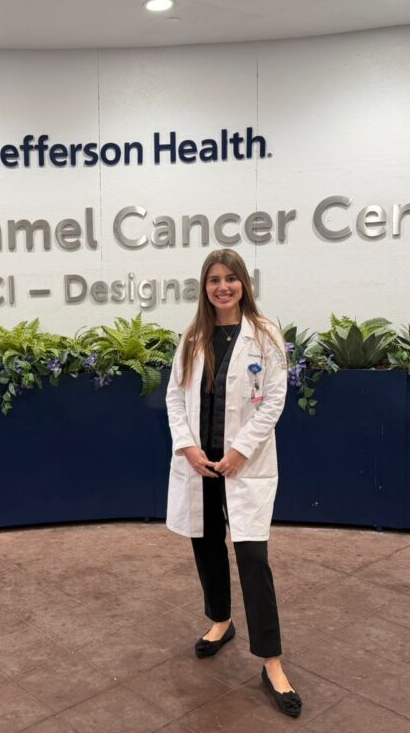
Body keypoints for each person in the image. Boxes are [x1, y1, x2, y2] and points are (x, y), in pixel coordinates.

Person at [165, 248, 302, 718]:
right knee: (206, 544)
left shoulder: (264, 334)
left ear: (244, 283)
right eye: (213, 280)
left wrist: (241, 449)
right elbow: (174, 398)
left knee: (253, 557)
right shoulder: (193, 337)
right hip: (201, 463)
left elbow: (275, 399)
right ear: (204, 288)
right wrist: (187, 447)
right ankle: (221, 622)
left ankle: (272, 662)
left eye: (230, 278)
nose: (222, 287)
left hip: (243, 464)